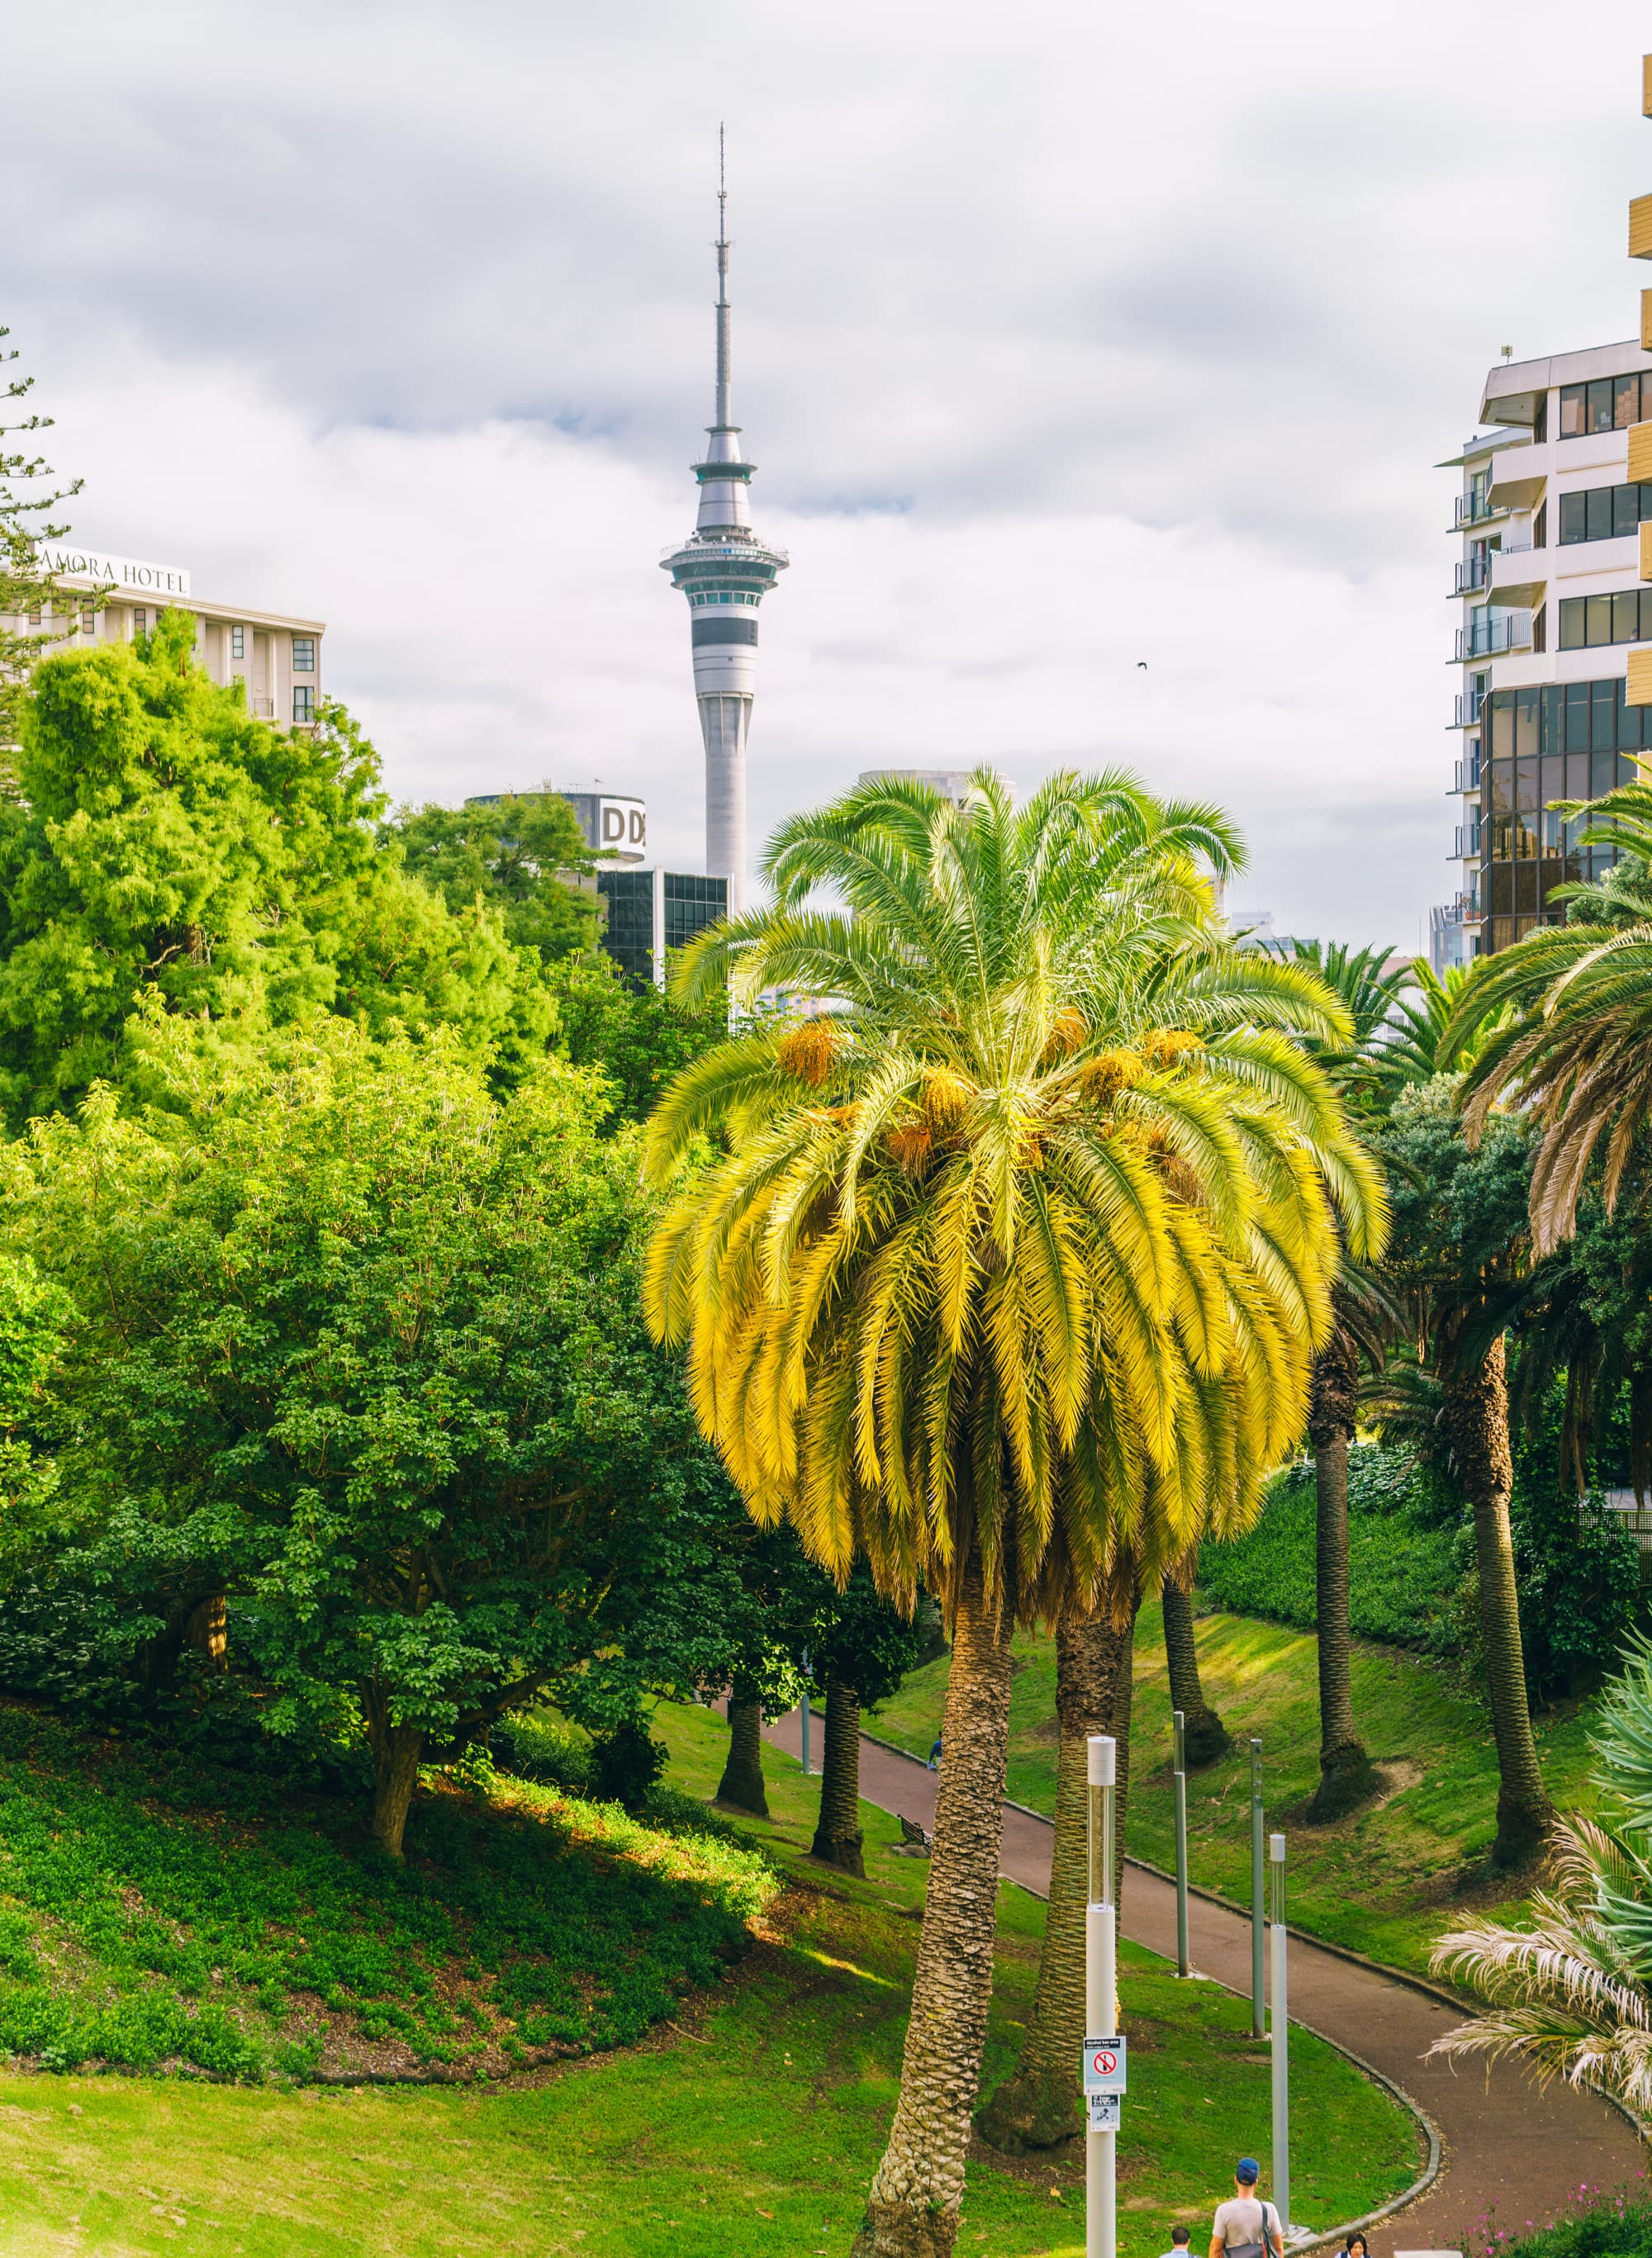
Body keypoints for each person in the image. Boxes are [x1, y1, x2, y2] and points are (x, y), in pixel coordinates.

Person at [1210, 2158, 1284, 2258]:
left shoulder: (1224, 2211)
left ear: (1235, 2180)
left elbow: (1216, 2249)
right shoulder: (1269, 2210)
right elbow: (1278, 2248)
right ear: (1256, 2183)